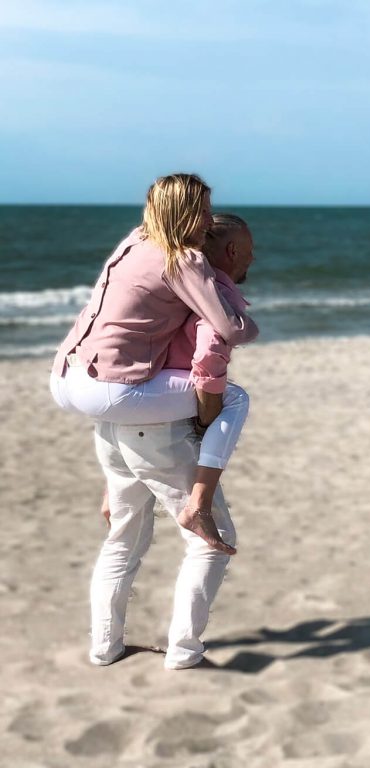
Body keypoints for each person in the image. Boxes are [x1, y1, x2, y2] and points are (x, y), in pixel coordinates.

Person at [50, 174, 258, 554]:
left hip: (67, 374)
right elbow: (226, 328)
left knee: (122, 542)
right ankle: (199, 501)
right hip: (110, 389)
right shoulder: (184, 258)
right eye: (205, 212)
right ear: (186, 212)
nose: (209, 222)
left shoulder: (133, 241)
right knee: (237, 399)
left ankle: (115, 489)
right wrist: (250, 324)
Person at [88, 212, 256, 669]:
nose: (254, 257)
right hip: (160, 432)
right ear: (232, 251)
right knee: (209, 542)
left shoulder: (163, 285)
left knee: (123, 539)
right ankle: (184, 651)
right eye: (249, 248)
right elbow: (208, 357)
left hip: (117, 422)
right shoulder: (211, 295)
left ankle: (105, 647)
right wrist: (206, 416)